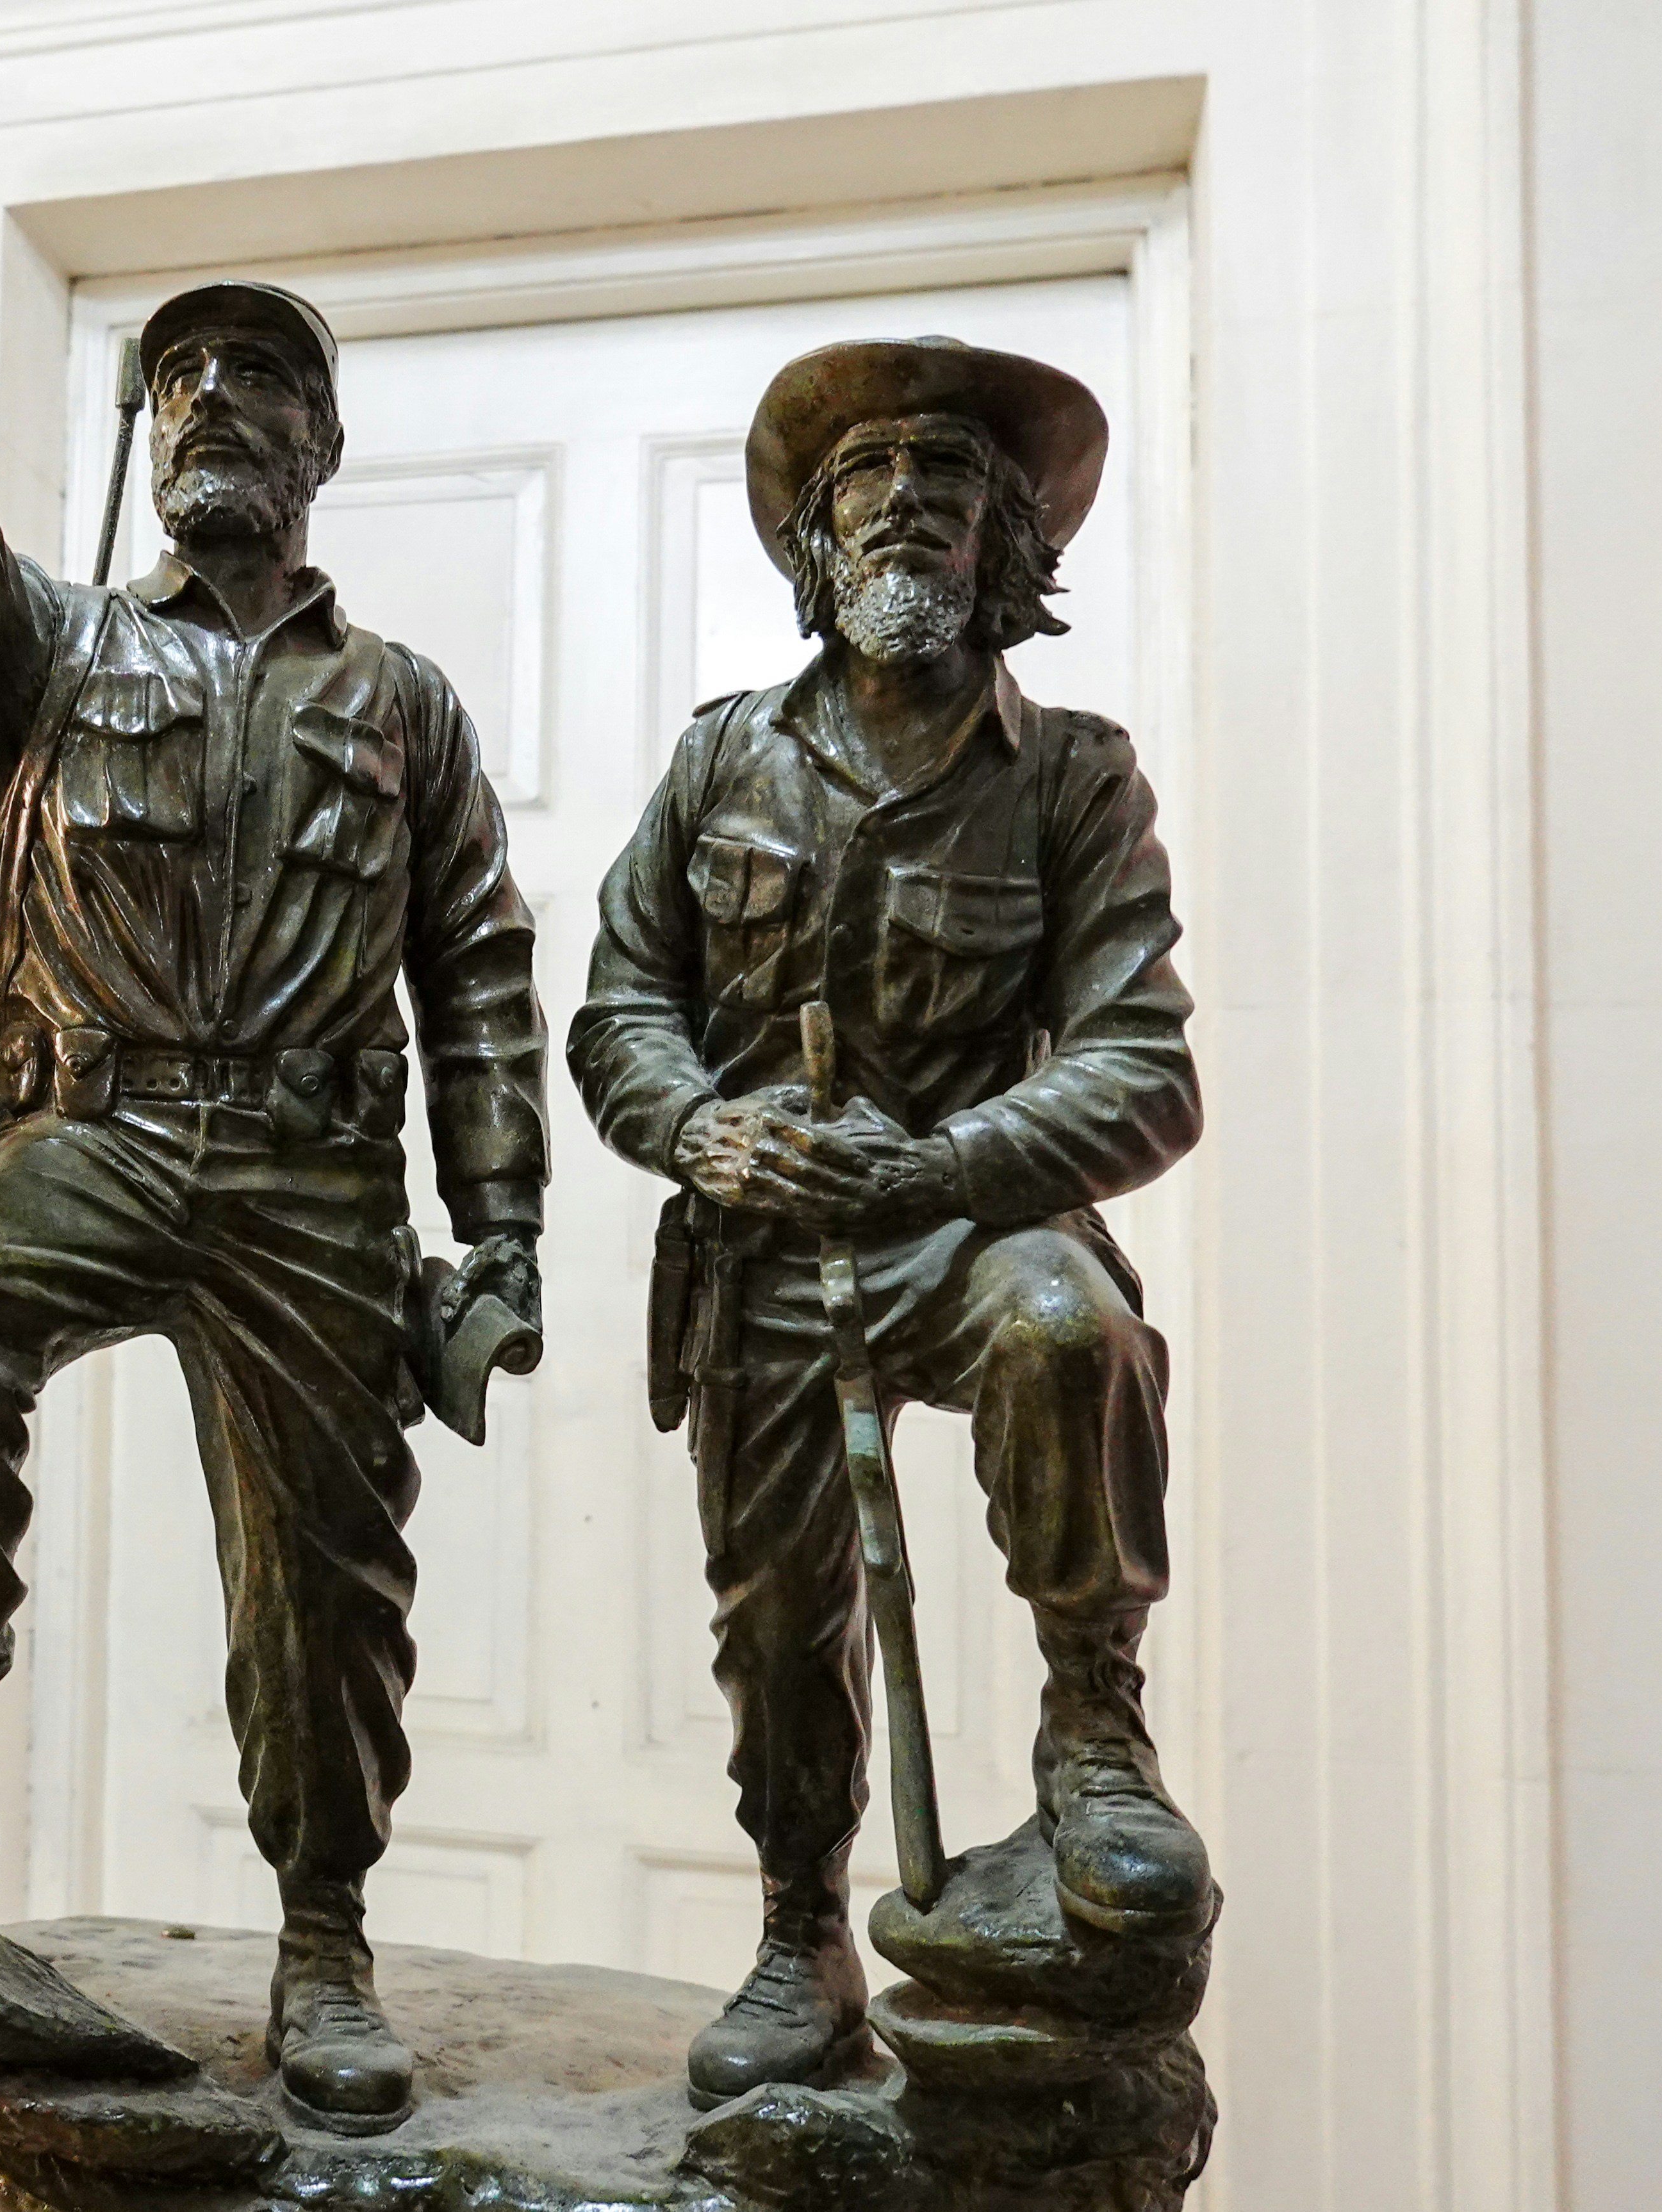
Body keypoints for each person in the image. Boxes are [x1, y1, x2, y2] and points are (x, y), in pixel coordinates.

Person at [0, 45, 549, 2135]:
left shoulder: (400, 703)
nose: (214, 405)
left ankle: (322, 1935)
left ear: (324, 445)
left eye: (258, 384)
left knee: (322, 1571)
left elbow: (480, 966)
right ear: (145, 445)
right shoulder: (44, 654)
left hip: (318, 1169)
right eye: (180, 385)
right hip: (90, 1131)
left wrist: (493, 1235)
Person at [567, 338, 1209, 2108]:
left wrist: (937, 1165)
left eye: (950, 489)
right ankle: (798, 1924)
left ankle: (1094, 1729)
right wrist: (708, 1132)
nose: (905, 511)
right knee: (777, 1613)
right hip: (769, 1245)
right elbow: (619, 1006)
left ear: (1008, 552)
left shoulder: (1076, 776)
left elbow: (1142, 1067)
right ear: (815, 545)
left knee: (1067, 1329)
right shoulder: (718, 767)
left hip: (965, 1211)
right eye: (866, 484)